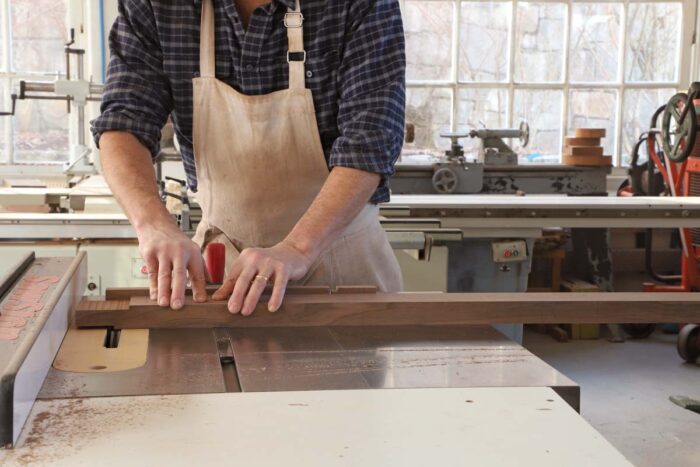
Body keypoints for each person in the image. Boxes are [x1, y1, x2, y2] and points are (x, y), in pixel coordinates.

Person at [91, 0, 406, 316]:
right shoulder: (156, 5)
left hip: (339, 262)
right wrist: (153, 224)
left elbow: (369, 141)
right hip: (226, 270)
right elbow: (122, 123)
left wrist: (296, 248)